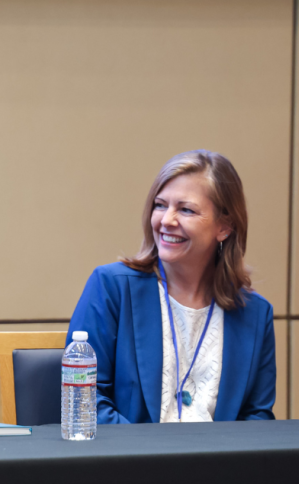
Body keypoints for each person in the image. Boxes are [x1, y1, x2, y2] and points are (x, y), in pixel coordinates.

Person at [67, 150, 276, 423]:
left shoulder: (256, 315)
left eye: (186, 209)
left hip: (220, 465)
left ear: (224, 227)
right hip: (130, 463)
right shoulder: (112, 288)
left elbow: (257, 418)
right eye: (160, 205)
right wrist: (152, 459)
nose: (166, 220)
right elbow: (84, 400)